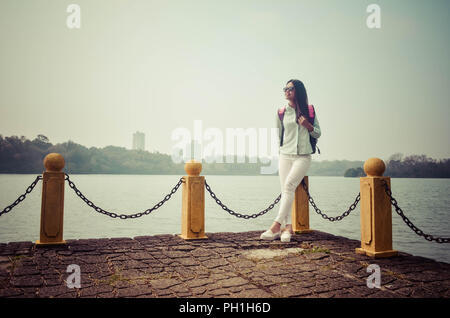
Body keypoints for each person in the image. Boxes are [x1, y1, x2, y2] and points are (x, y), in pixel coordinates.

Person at [260, 79, 321, 242]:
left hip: (303, 156)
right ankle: (287, 229)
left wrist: (308, 125)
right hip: (285, 155)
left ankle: (275, 226)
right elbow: (279, 135)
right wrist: (281, 152)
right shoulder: (281, 112)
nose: (286, 91)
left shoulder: (309, 110)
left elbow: (318, 133)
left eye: (290, 88)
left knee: (288, 186)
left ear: (298, 91)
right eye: (285, 89)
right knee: (285, 190)